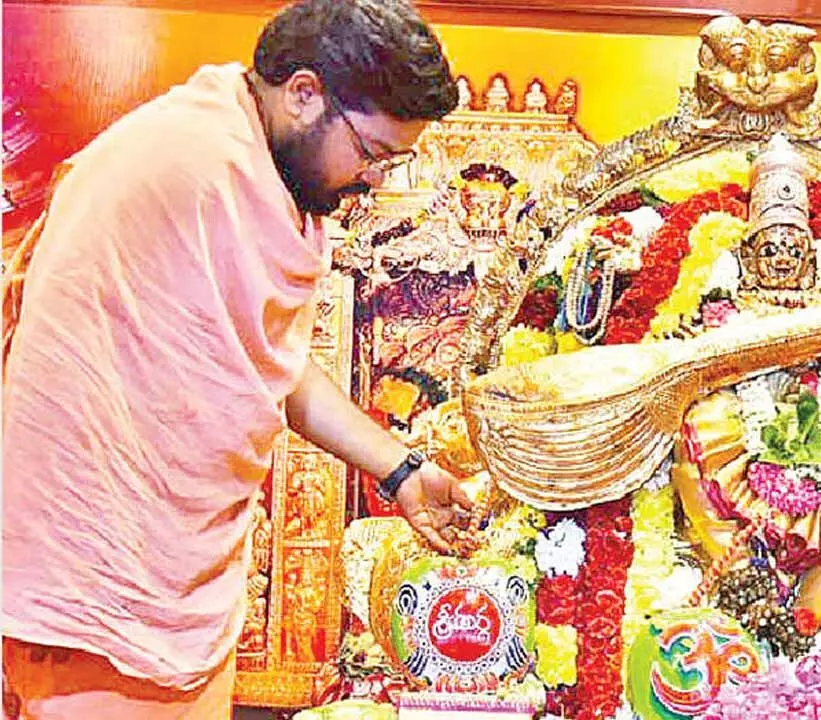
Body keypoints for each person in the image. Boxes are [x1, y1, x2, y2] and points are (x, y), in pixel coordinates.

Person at [1, 1, 471, 717]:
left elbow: (265, 364)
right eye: (373, 154)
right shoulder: (197, 167)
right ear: (305, 94)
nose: (375, 180)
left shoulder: (256, 166)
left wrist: (399, 467)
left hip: (176, 583)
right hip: (101, 585)